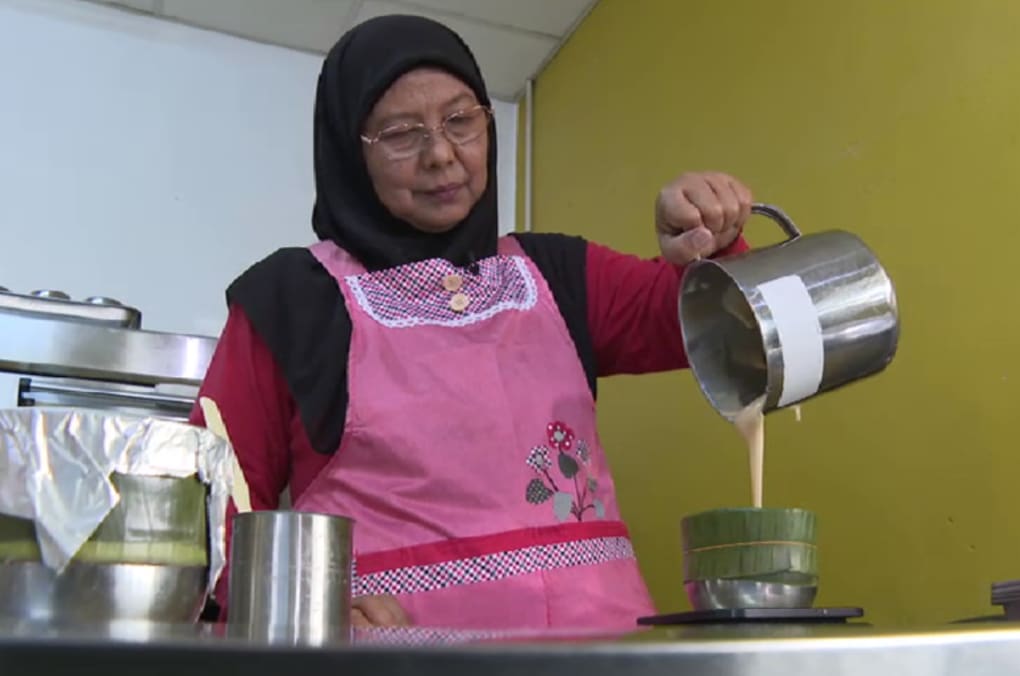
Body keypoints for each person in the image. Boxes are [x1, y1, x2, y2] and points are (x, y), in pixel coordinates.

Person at [190, 13, 756, 632]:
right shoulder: (294, 302)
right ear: (349, 151)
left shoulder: (556, 273)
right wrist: (297, 604)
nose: (441, 155)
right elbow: (211, 502)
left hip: (603, 653)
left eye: (462, 121)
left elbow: (723, 327)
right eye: (402, 135)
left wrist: (708, 237)